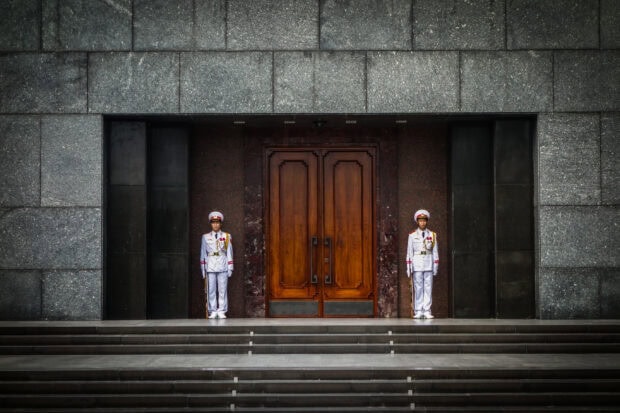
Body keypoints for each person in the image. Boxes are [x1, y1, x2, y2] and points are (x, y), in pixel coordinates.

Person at [200, 211, 233, 319]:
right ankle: (213, 310)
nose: (215, 224)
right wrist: (203, 269)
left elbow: (229, 252)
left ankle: (222, 310)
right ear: (211, 224)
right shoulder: (205, 237)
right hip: (210, 265)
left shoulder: (227, 236)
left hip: (223, 264)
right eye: (213, 222)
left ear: (220, 223)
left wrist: (230, 267)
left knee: (223, 289)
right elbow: (203, 253)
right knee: (211, 290)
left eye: (217, 222)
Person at [406, 209, 439, 319]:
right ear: (417, 222)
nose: (422, 223)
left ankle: (427, 310)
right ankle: (419, 310)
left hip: (428, 263)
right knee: (418, 287)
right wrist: (408, 267)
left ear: (427, 221)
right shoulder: (412, 235)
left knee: (428, 287)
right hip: (417, 264)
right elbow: (409, 252)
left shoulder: (433, 235)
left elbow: (435, 251)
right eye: (420, 221)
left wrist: (435, 266)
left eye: (424, 221)